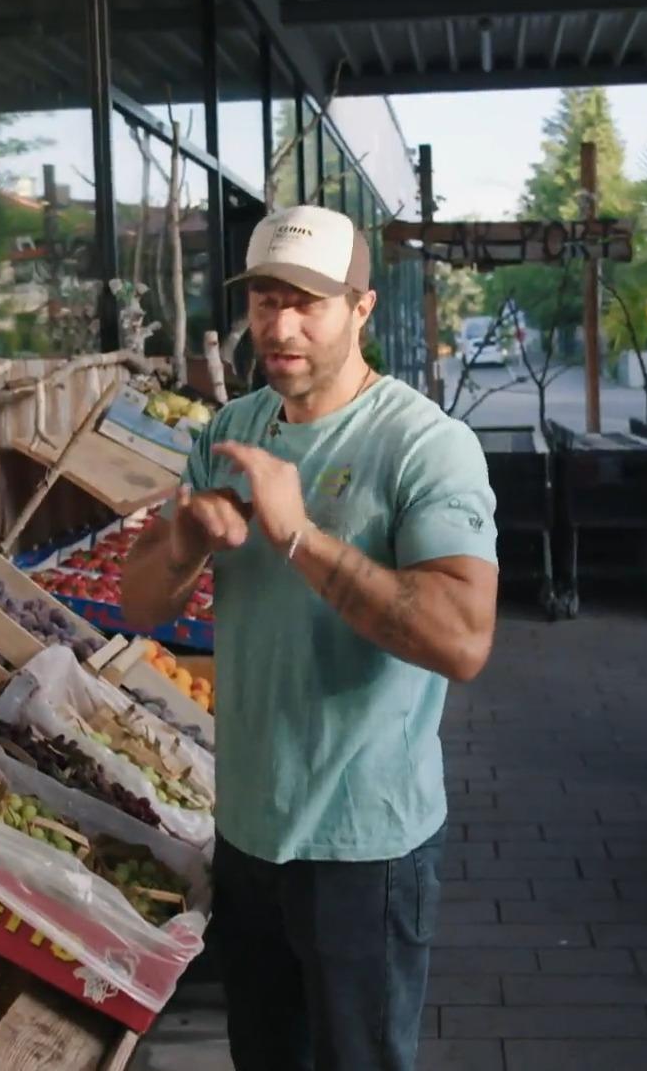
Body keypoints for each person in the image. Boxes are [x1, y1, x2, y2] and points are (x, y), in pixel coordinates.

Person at [122, 204, 500, 1071]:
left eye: (309, 304)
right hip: (250, 832)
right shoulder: (229, 430)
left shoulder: (426, 447)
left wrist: (300, 536)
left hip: (365, 846)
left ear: (361, 308)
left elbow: (463, 640)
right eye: (264, 301)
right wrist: (182, 546)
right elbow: (140, 603)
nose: (280, 327)